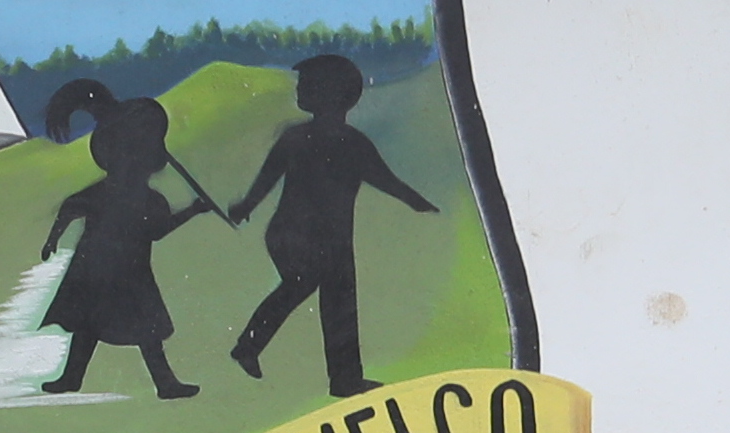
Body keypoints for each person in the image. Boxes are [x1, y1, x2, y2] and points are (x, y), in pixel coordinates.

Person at [225, 53, 439, 401]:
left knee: (336, 304)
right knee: (312, 291)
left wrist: (419, 203)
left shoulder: (348, 143)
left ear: (334, 95)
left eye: (307, 85)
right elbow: (268, 177)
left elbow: (387, 181)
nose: (300, 91)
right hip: (296, 236)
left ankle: (343, 379)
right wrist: (246, 205)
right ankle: (250, 347)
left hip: (332, 241)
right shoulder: (311, 140)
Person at [30, 80, 227, 400]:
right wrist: (53, 239)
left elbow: (157, 230)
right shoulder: (113, 194)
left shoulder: (150, 201)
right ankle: (73, 377)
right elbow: (70, 209)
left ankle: (164, 384)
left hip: (129, 272)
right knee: (89, 325)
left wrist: (192, 211)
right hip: (97, 269)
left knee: (142, 331)